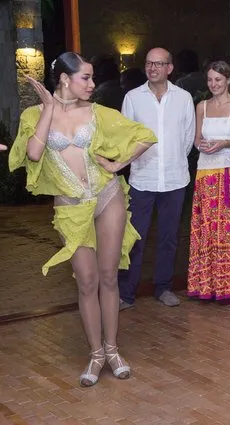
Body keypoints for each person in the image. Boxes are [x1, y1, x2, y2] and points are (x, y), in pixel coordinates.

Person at [8, 52, 156, 386]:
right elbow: (33, 153)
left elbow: (144, 136)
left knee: (108, 276)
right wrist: (48, 108)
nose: (92, 84)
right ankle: (96, 354)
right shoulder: (36, 114)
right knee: (86, 280)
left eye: (90, 78)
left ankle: (113, 348)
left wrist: (118, 165)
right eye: (85, 77)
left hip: (107, 197)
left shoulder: (98, 112)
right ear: (64, 79)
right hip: (70, 207)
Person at [117, 48, 195, 310]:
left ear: (169, 68)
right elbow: (126, 137)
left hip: (174, 179)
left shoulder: (183, 98)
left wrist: (171, 159)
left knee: (169, 237)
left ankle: (163, 287)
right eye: (149, 63)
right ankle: (126, 292)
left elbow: (187, 139)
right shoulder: (132, 98)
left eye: (159, 64)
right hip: (142, 179)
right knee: (135, 237)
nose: (153, 68)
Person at [187, 60, 230, 302]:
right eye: (210, 80)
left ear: (228, 80)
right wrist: (202, 145)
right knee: (207, 228)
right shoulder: (201, 107)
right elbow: (196, 138)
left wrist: (225, 143)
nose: (213, 84)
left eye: (218, 79)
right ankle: (208, 285)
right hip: (206, 173)